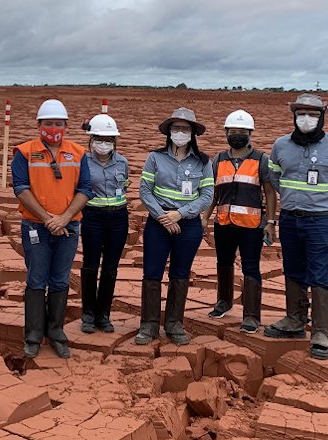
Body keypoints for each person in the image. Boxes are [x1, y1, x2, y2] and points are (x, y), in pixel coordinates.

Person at [264, 94, 328, 360]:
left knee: (319, 274)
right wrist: (292, 199)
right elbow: (274, 176)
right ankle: (295, 320)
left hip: (321, 221)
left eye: (313, 114)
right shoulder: (281, 145)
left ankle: (321, 332)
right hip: (290, 218)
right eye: (301, 114)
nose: (306, 119)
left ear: (322, 116)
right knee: (293, 269)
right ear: (294, 116)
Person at [12, 99, 93, 358]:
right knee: (36, 279)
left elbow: (85, 189)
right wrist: (48, 219)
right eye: (49, 123)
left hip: (68, 228)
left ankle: (56, 333)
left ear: (66, 126)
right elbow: (21, 188)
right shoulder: (24, 152)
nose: (54, 128)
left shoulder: (78, 153)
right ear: (39, 125)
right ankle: (33, 336)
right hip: (36, 227)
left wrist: (65, 218)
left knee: (60, 279)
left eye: (59, 123)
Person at [135, 107, 214, 346]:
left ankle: (174, 323)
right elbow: (145, 191)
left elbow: (207, 195)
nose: (180, 132)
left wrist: (180, 214)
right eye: (176, 128)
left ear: (192, 133)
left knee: (180, 273)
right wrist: (162, 217)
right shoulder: (155, 158)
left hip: (188, 225)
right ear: (169, 131)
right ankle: (149, 324)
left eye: (185, 129)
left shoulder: (203, 162)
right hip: (158, 223)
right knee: (152, 272)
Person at [201, 110, 278, 334]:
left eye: (242, 131)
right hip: (224, 223)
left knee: (250, 267)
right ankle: (223, 302)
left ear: (250, 134)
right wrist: (205, 217)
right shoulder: (218, 160)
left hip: (251, 225)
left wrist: (271, 222)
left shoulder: (261, 160)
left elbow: (270, 192)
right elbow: (213, 193)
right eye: (233, 131)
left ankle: (251, 316)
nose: (237, 135)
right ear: (226, 133)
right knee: (224, 262)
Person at [78, 113, 130, 334]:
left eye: (108, 140)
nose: (104, 143)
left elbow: (124, 187)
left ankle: (103, 314)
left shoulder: (122, 162)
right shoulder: (83, 162)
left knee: (110, 267)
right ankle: (88, 314)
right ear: (91, 140)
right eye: (99, 139)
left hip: (118, 218)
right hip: (92, 217)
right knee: (90, 265)